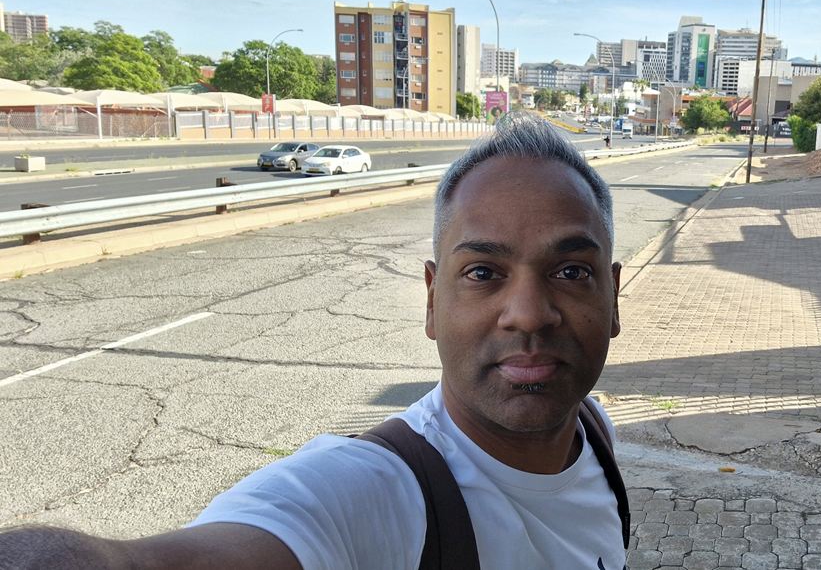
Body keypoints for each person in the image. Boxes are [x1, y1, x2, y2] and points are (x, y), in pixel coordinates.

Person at [0, 120, 627, 570]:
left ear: (614, 298)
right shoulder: (376, 494)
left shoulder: (594, 432)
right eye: (484, 272)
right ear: (433, 300)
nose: (528, 314)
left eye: (572, 271)